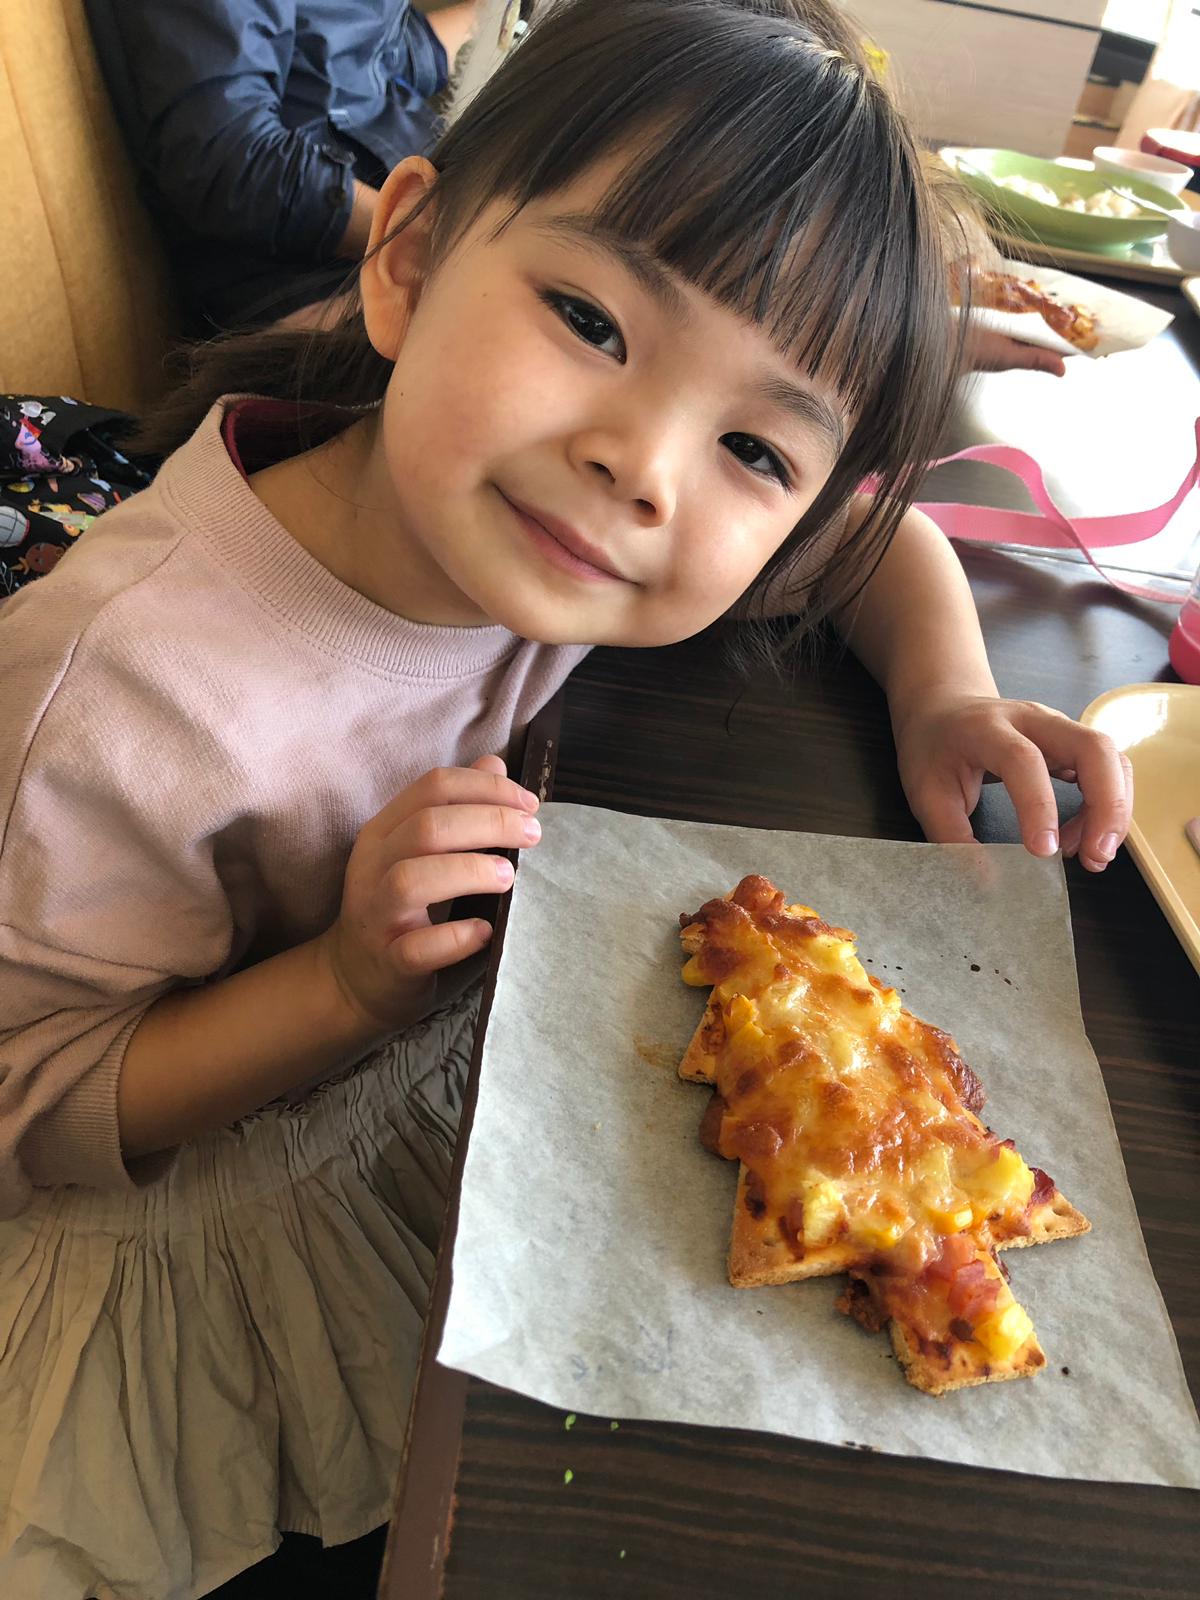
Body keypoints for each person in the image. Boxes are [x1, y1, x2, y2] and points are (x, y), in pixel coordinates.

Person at [0, 1, 1132, 1596]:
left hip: (462, 1094)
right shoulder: (120, 701)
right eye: (594, 323)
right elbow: (30, 1106)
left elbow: (870, 546)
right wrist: (337, 985)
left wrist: (944, 693)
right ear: (409, 259)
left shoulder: (542, 512)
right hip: (195, 1230)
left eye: (754, 447)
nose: (643, 464)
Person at [84, 0, 476, 333]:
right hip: (307, 279)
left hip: (402, 222)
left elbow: (383, 51)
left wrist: (502, 18)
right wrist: (437, 242)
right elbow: (231, 160)